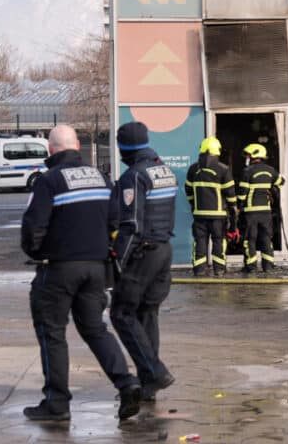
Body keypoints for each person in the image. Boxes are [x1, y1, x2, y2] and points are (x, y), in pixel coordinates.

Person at [20, 125, 140, 421]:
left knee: (52, 333)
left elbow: (33, 228)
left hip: (59, 269)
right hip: (96, 268)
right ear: (77, 145)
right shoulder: (101, 178)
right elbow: (116, 220)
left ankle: (57, 403)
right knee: (95, 329)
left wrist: (38, 254)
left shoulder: (49, 181)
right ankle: (127, 383)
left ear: (51, 150)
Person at [108, 121, 176, 403]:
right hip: (163, 250)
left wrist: (117, 263)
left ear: (123, 147)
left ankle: (155, 372)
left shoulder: (133, 177)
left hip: (142, 253)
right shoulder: (164, 170)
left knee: (121, 314)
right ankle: (149, 383)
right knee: (147, 313)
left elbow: (131, 224)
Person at [184, 137, 237, 276]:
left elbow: (188, 191)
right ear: (217, 151)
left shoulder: (193, 169)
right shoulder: (223, 170)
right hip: (218, 216)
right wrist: (233, 215)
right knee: (219, 241)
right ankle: (219, 269)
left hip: (199, 214)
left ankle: (199, 270)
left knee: (200, 241)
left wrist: (194, 205)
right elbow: (231, 197)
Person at [237, 143, 285, 273]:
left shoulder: (247, 171)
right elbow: (281, 182)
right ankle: (268, 266)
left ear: (253, 155)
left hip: (250, 213)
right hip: (266, 213)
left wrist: (238, 207)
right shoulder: (270, 170)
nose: (246, 158)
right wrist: (271, 190)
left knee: (250, 239)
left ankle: (251, 267)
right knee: (266, 238)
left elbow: (242, 193)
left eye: (248, 155)